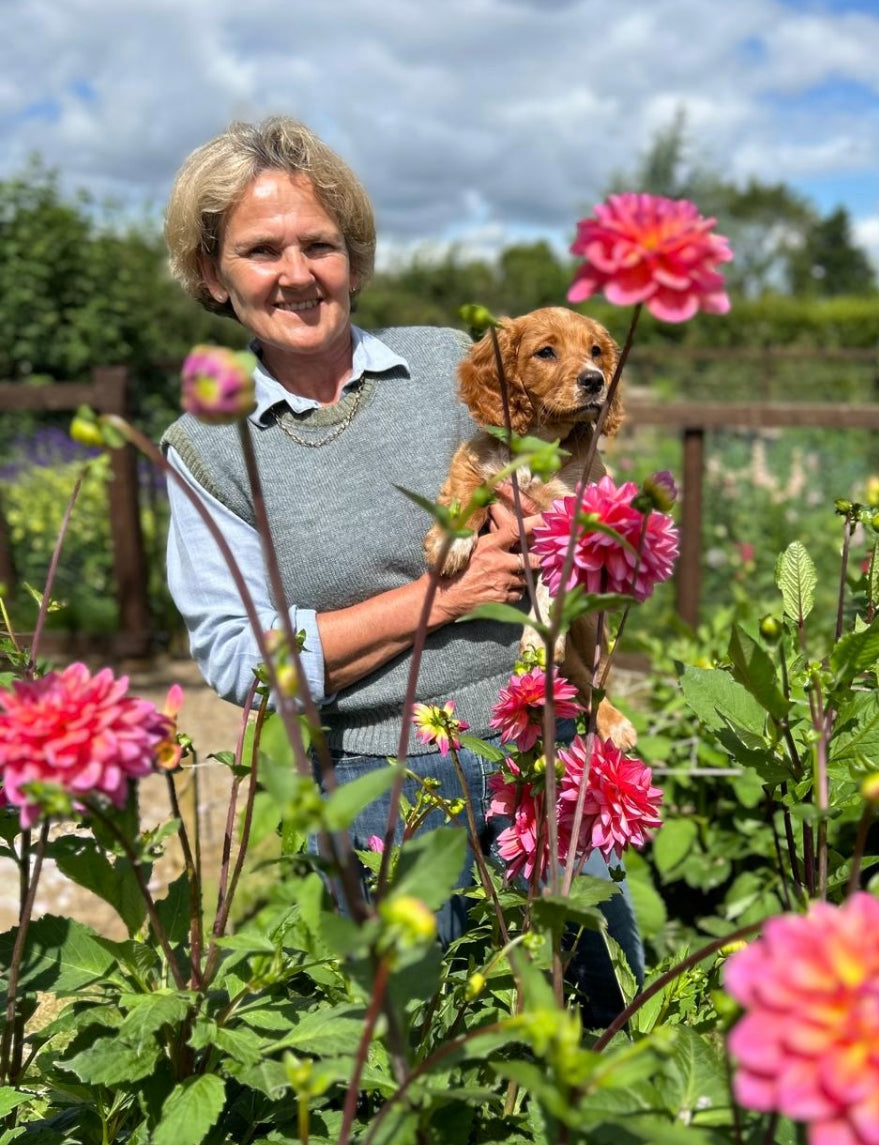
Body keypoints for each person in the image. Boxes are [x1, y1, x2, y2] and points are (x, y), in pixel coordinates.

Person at [160, 116, 642, 1022]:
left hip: (546, 747)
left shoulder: (445, 362)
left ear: (354, 256)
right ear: (210, 273)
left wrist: (577, 508)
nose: (297, 273)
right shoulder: (208, 445)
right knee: (417, 1055)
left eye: (321, 244)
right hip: (384, 784)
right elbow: (238, 661)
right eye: (262, 250)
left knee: (594, 1023)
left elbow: (585, 489)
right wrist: (439, 599)